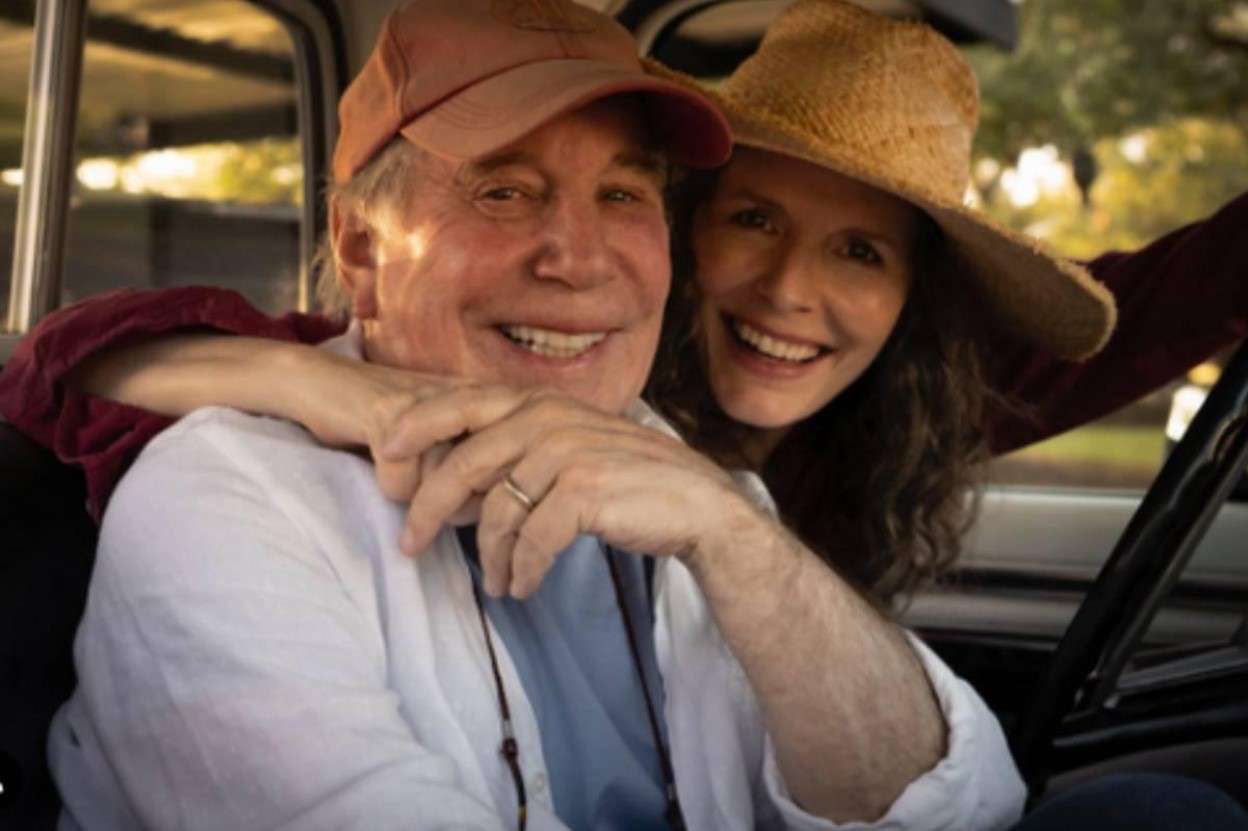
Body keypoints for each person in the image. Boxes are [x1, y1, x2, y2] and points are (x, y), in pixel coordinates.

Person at [43, 0, 1027, 828]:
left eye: (623, 195)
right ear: (361, 250)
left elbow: (966, 804)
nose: (580, 257)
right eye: (505, 191)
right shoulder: (230, 498)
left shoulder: (682, 480)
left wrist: (743, 540)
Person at [2, 2, 1246, 610]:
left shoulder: (898, 419)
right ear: (690, 234)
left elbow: (1197, 289)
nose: (793, 295)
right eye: (752, 220)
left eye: (860, 251)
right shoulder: (561, 372)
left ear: (909, 303)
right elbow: (61, 366)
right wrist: (323, 382)